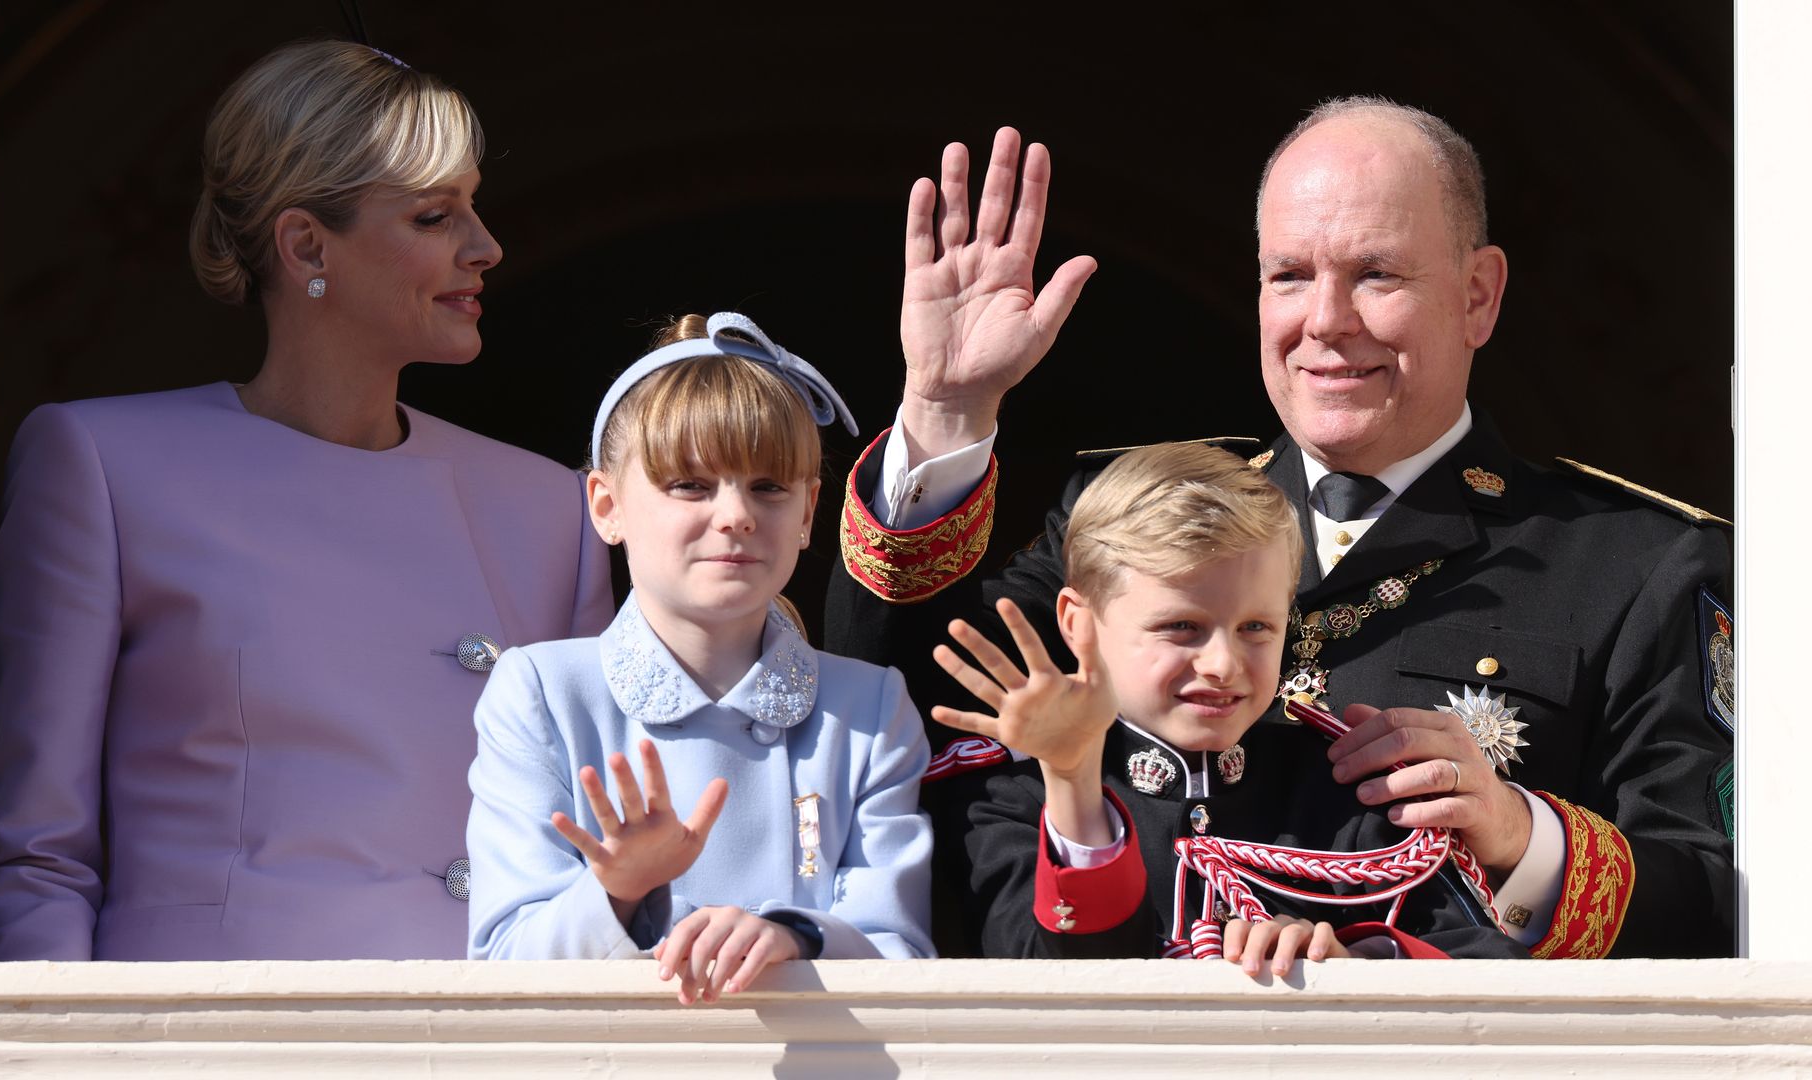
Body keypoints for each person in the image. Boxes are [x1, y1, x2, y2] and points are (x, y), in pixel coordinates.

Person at [827, 105, 1735, 959]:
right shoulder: (1126, 508)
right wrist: (946, 412)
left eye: (1377, 274)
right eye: (1290, 276)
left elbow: (1712, 905)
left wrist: (1514, 831)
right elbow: (893, 712)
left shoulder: (1636, 564)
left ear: (1478, 296)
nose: (1326, 322)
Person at [0, 40, 613, 961]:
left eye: (474, 207)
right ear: (307, 243)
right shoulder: (104, 465)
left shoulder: (552, 512)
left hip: (480, 1036)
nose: (486, 246)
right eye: (436, 216)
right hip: (206, 1040)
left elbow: (582, 863)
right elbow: (41, 860)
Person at [466, 314, 934, 1002]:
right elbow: (502, 965)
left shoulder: (870, 707)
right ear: (606, 506)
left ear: (809, 511)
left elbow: (904, 955)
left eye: (769, 487)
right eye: (690, 484)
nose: (737, 514)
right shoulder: (540, 690)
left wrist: (792, 935)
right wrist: (619, 890)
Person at [932, 442, 1527, 967]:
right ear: (1078, 623)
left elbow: (1490, 973)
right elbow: (1066, 991)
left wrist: (1352, 959)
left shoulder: (1345, 790)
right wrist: (1072, 780)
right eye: (1181, 626)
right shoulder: (1007, 792)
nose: (1222, 662)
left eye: (1256, 627)